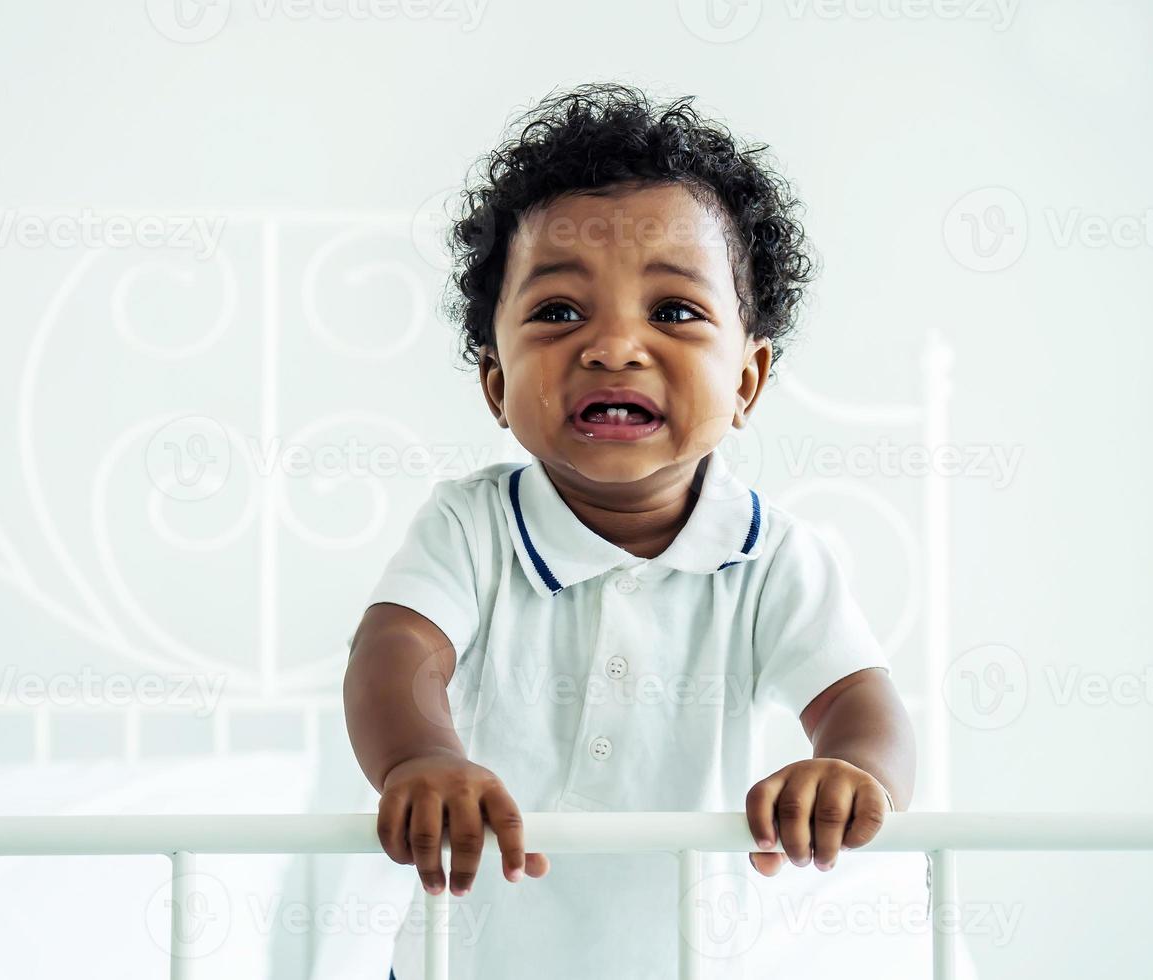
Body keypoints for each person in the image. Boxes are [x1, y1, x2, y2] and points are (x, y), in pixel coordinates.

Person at [344, 80, 916, 979]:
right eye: (557, 312)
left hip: (689, 957)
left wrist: (849, 768)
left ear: (746, 382)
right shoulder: (471, 527)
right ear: (496, 385)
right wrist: (421, 757)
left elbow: (859, 703)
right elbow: (397, 652)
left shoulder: (771, 559)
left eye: (674, 312)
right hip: (468, 961)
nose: (613, 346)